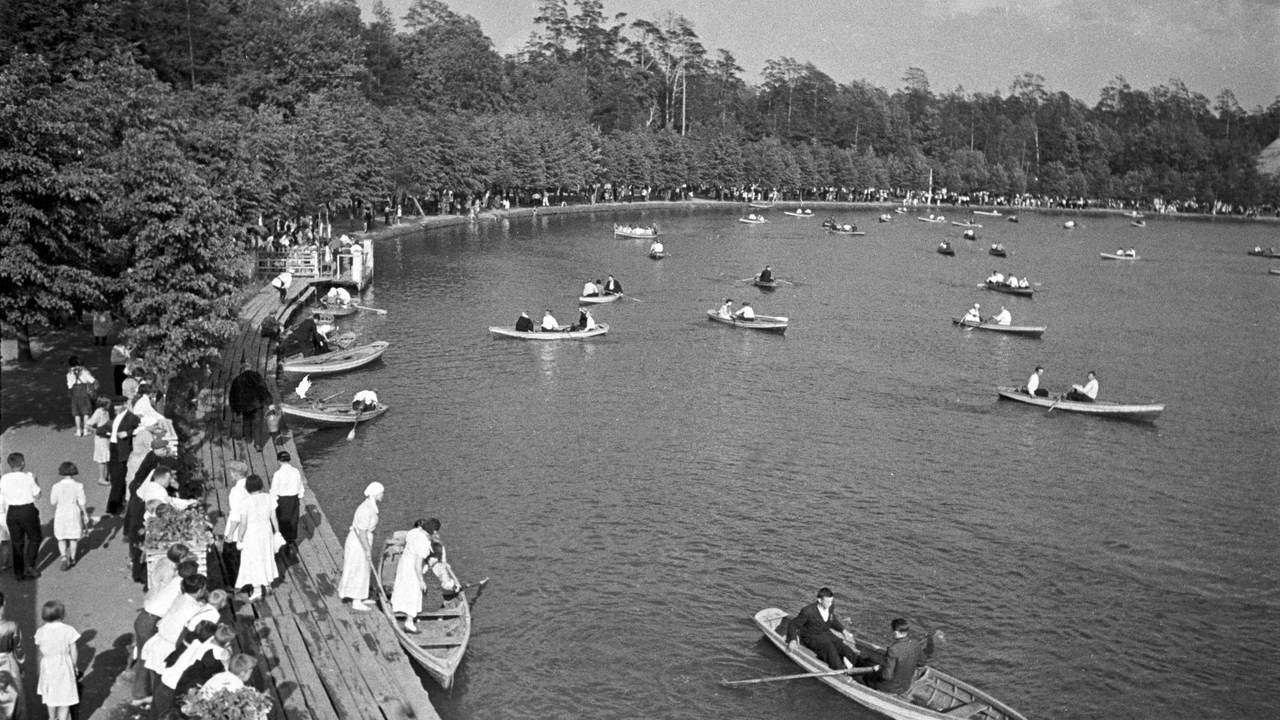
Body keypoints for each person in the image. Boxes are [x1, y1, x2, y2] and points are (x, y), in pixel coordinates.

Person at [784, 588, 861, 671]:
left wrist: (843, 630)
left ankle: (859, 664)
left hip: (825, 633)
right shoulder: (807, 611)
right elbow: (793, 624)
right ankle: (840, 669)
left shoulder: (830, 607)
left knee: (840, 643)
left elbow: (832, 619)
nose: (830, 604)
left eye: (831, 601)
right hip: (810, 637)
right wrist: (793, 639)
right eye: (828, 602)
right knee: (829, 647)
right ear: (819, 600)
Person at [233, 474, 280, 603]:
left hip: (252, 532)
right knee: (266, 555)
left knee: (254, 559)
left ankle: (258, 591)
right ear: (261, 485)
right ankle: (268, 585)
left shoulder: (245, 503)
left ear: (247, 488)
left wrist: (240, 538)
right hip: (266, 529)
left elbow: (243, 523)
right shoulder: (269, 498)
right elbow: (273, 517)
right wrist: (277, 532)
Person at [866, 618, 943, 695]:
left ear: (895, 633)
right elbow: (922, 663)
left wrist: (879, 670)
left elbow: (887, 676)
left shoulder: (893, 650)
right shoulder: (915, 643)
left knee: (866, 677)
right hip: (905, 686)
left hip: (891, 688)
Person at [338, 482, 383, 612]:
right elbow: (362, 531)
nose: (382, 495)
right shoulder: (365, 509)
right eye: (381, 492)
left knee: (363, 569)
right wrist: (367, 549)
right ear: (375, 493)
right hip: (358, 542)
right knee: (358, 568)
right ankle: (356, 601)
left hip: (363, 539)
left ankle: (361, 596)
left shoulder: (371, 506)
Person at [34, 601, 79, 720]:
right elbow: (73, 650)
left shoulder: (41, 631)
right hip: (64, 664)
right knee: (65, 696)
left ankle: (52, 717)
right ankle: (63, 718)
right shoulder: (68, 629)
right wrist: (73, 666)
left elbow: (41, 648)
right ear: (61, 614)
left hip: (48, 664)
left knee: (51, 695)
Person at [1, 454, 42, 580]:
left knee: (17, 542)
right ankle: (30, 565)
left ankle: (18, 572)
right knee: (34, 538)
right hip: (27, 510)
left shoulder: (4, 478)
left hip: (12, 511)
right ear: (23, 463)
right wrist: (35, 481)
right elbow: (38, 495)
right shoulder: (28, 477)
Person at [389, 519, 434, 633]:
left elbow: (408, 541)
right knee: (414, 594)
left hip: (403, 563)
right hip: (412, 568)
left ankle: (394, 611)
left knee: (401, 587)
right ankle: (409, 623)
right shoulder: (424, 542)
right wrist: (421, 581)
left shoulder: (413, 532)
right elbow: (417, 564)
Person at [49, 463, 88, 571]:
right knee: (73, 537)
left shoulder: (56, 486)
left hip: (61, 512)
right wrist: (85, 514)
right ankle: (72, 557)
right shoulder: (78, 485)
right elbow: (82, 501)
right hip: (73, 512)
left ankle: (63, 557)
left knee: (61, 537)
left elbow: (52, 501)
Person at [228, 361, 274, 453]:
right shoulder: (256, 376)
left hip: (245, 405)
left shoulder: (237, 379)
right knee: (258, 423)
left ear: (242, 367)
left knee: (246, 421)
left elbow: (233, 395)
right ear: (251, 366)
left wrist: (234, 408)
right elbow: (263, 389)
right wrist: (269, 402)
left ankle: (248, 439)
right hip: (257, 405)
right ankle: (258, 444)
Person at [270, 452, 305, 555]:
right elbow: (300, 486)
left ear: (279, 461)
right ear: (289, 460)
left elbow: (274, 490)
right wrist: (299, 496)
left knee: (281, 521)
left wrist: (273, 501)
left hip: (282, 500)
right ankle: (290, 544)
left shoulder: (278, 474)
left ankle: (281, 543)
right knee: (293, 520)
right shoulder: (296, 471)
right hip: (293, 500)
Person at [0, 592, 25, 720]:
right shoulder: (11, 626)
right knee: (13, 696)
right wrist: (21, 666)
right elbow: (18, 648)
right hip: (8, 663)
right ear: (4, 603)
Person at [67, 356, 97, 437]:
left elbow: (69, 386)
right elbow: (92, 381)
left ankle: (78, 431)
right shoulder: (84, 372)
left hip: (75, 394)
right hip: (84, 394)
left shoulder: (69, 374)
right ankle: (86, 430)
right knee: (86, 413)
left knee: (77, 414)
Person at [87, 396, 113, 486]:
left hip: (107, 437)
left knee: (108, 457)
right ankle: (101, 478)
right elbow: (88, 425)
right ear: (104, 404)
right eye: (108, 403)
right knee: (102, 459)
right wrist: (97, 431)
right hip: (101, 439)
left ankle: (108, 476)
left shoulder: (106, 412)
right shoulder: (98, 413)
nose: (110, 405)